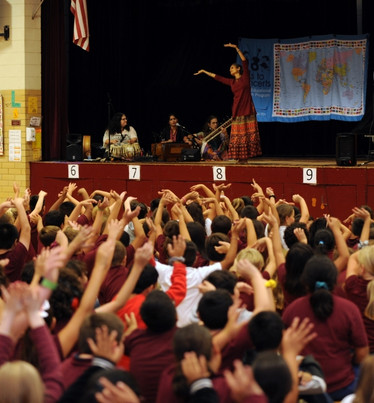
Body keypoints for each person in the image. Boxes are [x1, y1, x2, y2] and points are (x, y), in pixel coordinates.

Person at [194, 43, 261, 161]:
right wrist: (205, 71)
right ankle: (240, 158)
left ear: (238, 69)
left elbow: (245, 62)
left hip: (247, 110)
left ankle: (246, 158)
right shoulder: (232, 82)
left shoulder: (245, 77)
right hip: (237, 111)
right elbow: (218, 77)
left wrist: (236, 49)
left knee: (247, 135)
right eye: (230, 68)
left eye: (232, 68)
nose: (230, 70)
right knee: (237, 137)